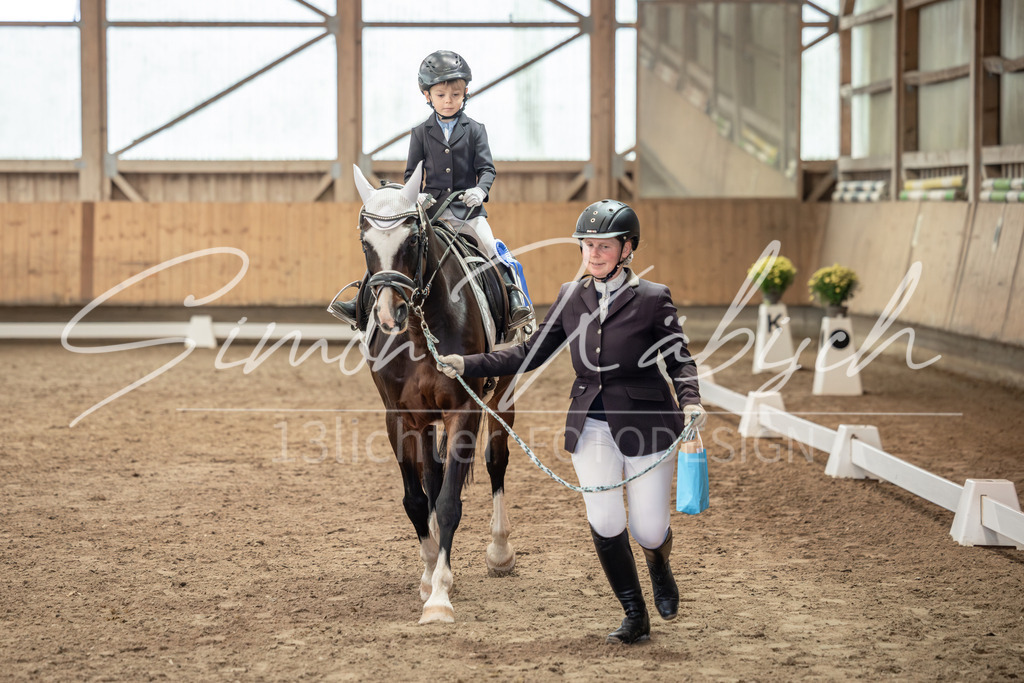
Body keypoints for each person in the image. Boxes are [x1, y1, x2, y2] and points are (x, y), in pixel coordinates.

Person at [436, 199, 707, 644]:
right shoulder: (571, 296)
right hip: (590, 424)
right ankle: (634, 613)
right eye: (587, 245)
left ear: (627, 249)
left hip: (648, 420)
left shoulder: (654, 298)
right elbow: (528, 353)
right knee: (604, 520)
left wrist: (691, 400)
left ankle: (658, 560)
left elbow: (680, 359)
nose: (594, 253)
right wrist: (468, 364)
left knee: (648, 528)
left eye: (604, 246)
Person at [329, 49, 533, 333]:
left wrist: (480, 190)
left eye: (455, 95)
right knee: (392, 248)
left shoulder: (475, 130)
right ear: (427, 96)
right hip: (430, 212)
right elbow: (413, 172)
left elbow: (487, 169)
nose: (448, 101)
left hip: (467, 212)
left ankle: (514, 302)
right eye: (441, 95)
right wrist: (418, 195)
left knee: (491, 248)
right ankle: (360, 305)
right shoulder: (420, 132)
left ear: (465, 94)